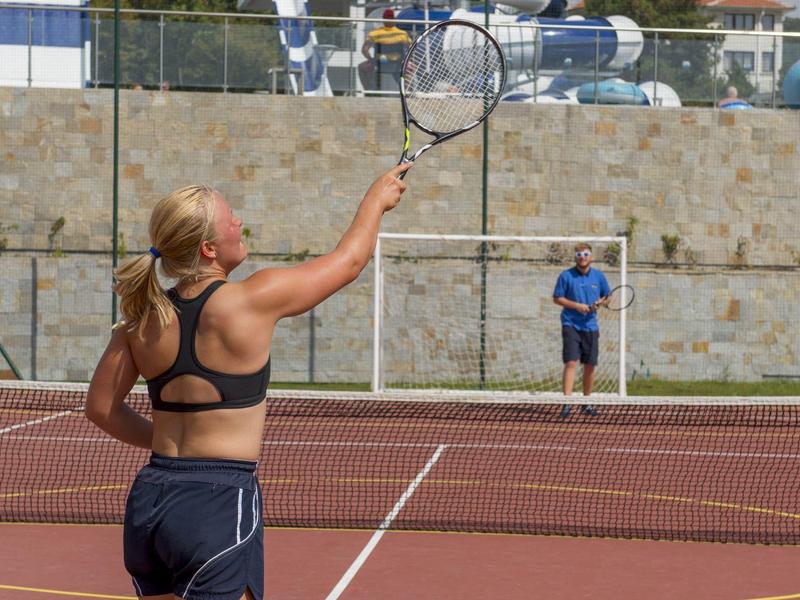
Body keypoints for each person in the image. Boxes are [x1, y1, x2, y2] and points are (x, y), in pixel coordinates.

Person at [85, 161, 412, 600]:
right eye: (230, 217)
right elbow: (349, 262)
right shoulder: (249, 300)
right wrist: (375, 200)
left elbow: (101, 408)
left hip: (151, 501)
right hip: (218, 503)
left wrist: (166, 440)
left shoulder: (142, 318)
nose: (239, 222)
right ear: (208, 249)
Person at [552, 243, 610, 418]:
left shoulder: (599, 277)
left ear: (591, 257)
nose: (582, 257)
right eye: (579, 254)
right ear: (575, 257)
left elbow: (608, 296)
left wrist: (601, 302)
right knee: (571, 362)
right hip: (571, 324)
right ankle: (567, 403)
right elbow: (557, 298)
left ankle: (587, 403)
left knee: (590, 365)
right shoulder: (565, 276)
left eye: (586, 254)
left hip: (591, 327)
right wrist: (577, 306)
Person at [358, 9, 411, 92]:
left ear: (383, 19)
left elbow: (364, 50)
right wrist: (408, 61)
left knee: (361, 67)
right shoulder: (402, 34)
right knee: (411, 67)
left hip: (379, 64)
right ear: (394, 19)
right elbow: (411, 49)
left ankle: (369, 91)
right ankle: (407, 92)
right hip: (398, 64)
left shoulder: (374, 33)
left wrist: (371, 60)